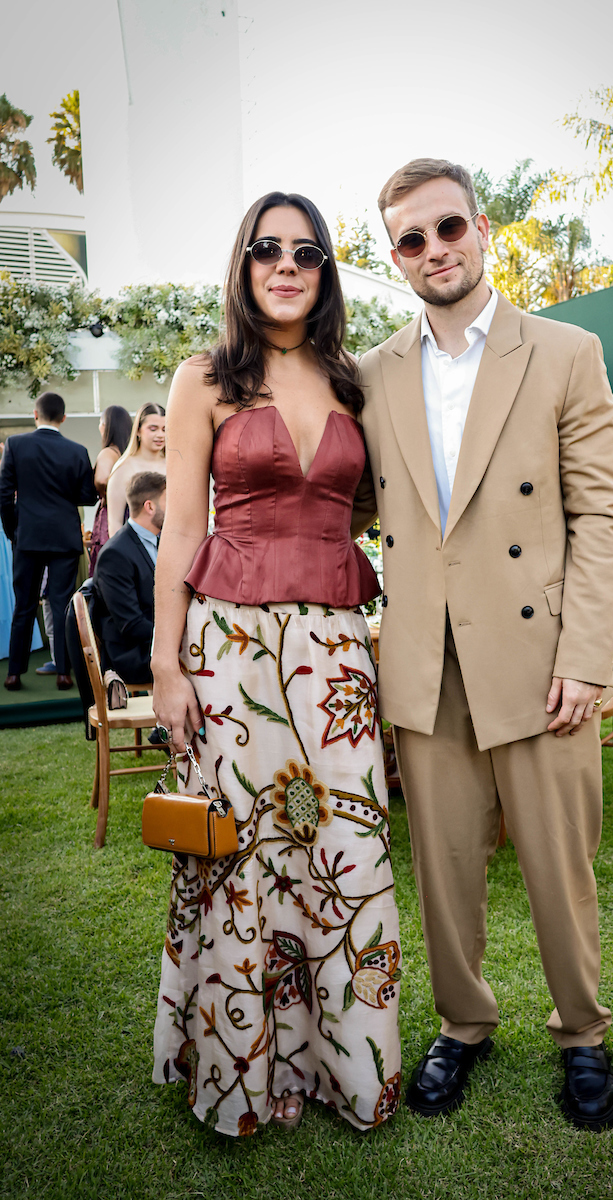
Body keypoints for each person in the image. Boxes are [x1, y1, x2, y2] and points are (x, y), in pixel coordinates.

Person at [358, 159, 613, 1131]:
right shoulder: (375, 372)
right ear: (393, 256)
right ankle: (462, 1024)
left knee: (560, 863)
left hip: (536, 655)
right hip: (424, 663)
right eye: (410, 239)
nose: (433, 250)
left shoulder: (564, 350)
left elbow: (601, 514)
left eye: (446, 229)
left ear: (481, 229)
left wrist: (584, 654)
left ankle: (581, 1033)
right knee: (442, 867)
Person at [150, 191, 401, 1137]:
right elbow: (180, 534)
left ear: (327, 269)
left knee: (336, 853)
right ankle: (245, 1067)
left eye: (306, 250)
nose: (286, 264)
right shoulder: (205, 378)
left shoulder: (354, 385)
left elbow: (378, 509)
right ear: (243, 265)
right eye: (267, 248)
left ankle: (344, 1069)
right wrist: (167, 667)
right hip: (231, 656)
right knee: (242, 860)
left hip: (335, 653)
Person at [0, 391, 96, 690]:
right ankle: (64, 673)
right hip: (64, 537)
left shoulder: (16, 445)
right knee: (61, 604)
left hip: (27, 536)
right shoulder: (77, 450)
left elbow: (4, 492)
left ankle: (14, 673)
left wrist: (13, 529)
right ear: (64, 418)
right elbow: (87, 497)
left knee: (24, 606)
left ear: (35, 414)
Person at [93, 471, 164, 683]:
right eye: (169, 502)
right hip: (131, 655)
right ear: (149, 507)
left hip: (152, 644)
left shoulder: (159, 541)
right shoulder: (116, 554)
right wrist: (179, 637)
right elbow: (131, 625)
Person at [106, 402, 165, 537]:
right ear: (138, 430)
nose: (160, 435)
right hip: (136, 547)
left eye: (164, 429)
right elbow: (115, 522)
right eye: (153, 428)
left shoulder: (174, 465)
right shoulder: (123, 468)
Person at [87, 405, 134, 575]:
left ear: (106, 426)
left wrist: (106, 495)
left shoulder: (108, 452)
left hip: (110, 515)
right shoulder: (129, 454)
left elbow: (101, 478)